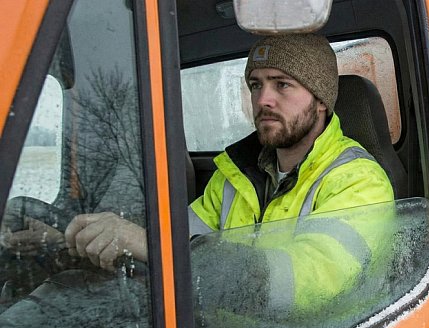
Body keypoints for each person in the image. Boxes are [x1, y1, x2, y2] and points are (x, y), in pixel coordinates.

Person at [15, 34, 393, 286]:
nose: (263, 100)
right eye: (256, 84)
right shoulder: (233, 177)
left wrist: (152, 246)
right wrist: (70, 241)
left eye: (282, 84)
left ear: (321, 99)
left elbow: (302, 284)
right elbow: (177, 242)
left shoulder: (359, 181)